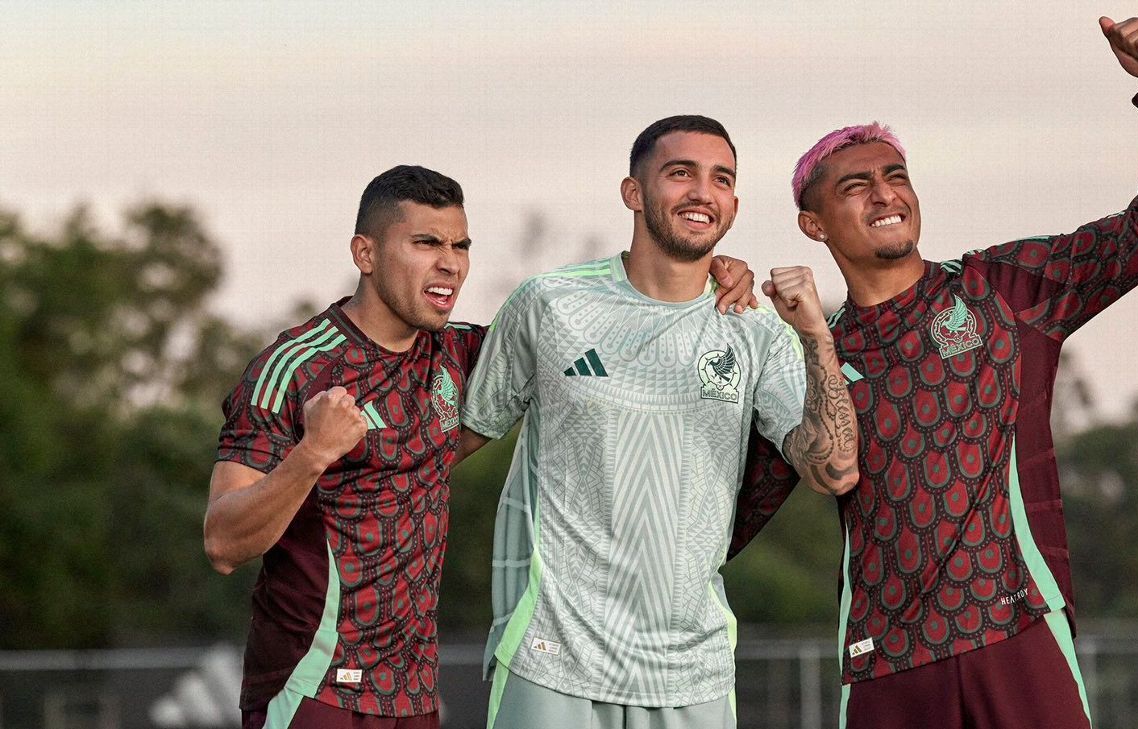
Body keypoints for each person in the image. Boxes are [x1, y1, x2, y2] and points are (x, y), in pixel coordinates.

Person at [735, 14, 1138, 729]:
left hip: (1017, 637)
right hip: (885, 662)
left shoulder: (1004, 291)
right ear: (814, 224)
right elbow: (728, 513)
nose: (886, 194)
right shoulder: (810, 357)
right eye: (857, 186)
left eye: (896, 176)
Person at [203, 164, 763, 728]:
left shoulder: (465, 354)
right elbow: (224, 541)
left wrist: (705, 274)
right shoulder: (296, 367)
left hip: (415, 696)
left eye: (460, 245)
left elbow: (603, 344)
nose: (449, 262)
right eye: (425, 243)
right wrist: (312, 455)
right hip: (312, 686)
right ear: (365, 254)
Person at [456, 115, 860, 728]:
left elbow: (832, 468)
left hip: (689, 665)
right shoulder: (550, 303)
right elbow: (454, 441)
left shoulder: (757, 330)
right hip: (550, 655)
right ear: (634, 193)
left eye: (720, 179)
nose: (703, 191)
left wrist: (814, 337)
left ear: (733, 203)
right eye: (681, 173)